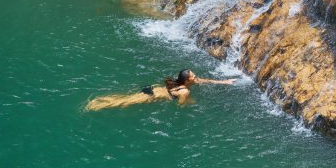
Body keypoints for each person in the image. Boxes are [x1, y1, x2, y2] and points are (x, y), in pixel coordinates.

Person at [85, 69, 236, 111]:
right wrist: (191, 103)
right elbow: (180, 105)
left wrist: (225, 82)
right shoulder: (184, 91)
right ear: (187, 80)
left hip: (151, 89)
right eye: (193, 76)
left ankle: (101, 100)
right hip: (150, 96)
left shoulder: (181, 82)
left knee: (126, 97)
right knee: (125, 102)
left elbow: (205, 80)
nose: (196, 77)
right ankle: (96, 105)